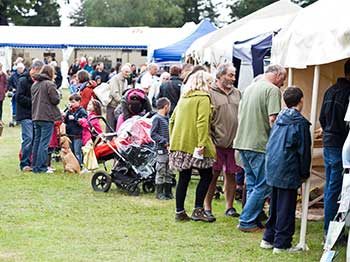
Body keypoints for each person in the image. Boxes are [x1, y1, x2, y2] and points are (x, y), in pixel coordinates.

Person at [234, 64, 286, 232]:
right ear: (277, 75)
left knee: (252, 184)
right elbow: (273, 119)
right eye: (283, 79)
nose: (283, 83)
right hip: (259, 144)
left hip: (243, 141)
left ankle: (252, 219)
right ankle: (247, 220)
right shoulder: (272, 90)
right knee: (263, 185)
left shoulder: (250, 88)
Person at [260, 86, 311, 253]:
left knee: (275, 205)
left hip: (274, 165)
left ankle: (268, 238)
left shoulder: (279, 118)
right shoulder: (300, 123)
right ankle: (281, 243)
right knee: (286, 208)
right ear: (301, 100)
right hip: (288, 168)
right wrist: (304, 173)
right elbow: (303, 151)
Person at [169, 70, 216, 223]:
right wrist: (202, 144)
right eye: (210, 83)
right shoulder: (203, 98)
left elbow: (172, 120)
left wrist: (173, 140)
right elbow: (202, 122)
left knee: (184, 177)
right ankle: (198, 209)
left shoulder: (184, 98)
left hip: (180, 143)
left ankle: (180, 211)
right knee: (207, 175)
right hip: (195, 144)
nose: (211, 86)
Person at [204, 63, 242, 220]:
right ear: (220, 76)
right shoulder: (210, 93)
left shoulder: (237, 93)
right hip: (215, 142)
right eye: (230, 75)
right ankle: (207, 207)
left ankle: (229, 206)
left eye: (234, 75)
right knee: (212, 176)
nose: (233, 78)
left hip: (233, 142)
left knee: (231, 174)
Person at [319, 59, 350, 236]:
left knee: (331, 187)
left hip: (328, 142)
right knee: (336, 190)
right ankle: (331, 232)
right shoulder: (347, 93)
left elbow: (322, 119)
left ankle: (330, 230)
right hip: (341, 145)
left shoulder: (330, 90)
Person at [31, 65, 61, 173]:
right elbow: (55, 100)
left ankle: (35, 165)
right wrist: (58, 95)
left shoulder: (35, 84)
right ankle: (42, 167)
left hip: (36, 116)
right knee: (44, 143)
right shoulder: (49, 84)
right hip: (47, 116)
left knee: (37, 142)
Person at [16, 60, 44, 171]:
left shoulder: (38, 81)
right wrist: (33, 102)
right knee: (28, 138)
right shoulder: (23, 81)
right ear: (35, 69)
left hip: (35, 115)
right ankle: (24, 164)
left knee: (34, 139)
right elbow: (19, 97)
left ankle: (33, 162)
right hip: (25, 114)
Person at [151, 97, 173, 200]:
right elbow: (153, 134)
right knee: (161, 169)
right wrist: (163, 141)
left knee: (169, 170)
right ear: (166, 106)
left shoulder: (168, 118)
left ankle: (168, 191)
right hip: (161, 149)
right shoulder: (157, 119)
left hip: (169, 149)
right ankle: (159, 192)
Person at [64, 93, 88, 166]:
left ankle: (79, 165)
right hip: (70, 134)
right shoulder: (69, 111)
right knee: (71, 151)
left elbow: (84, 122)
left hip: (77, 135)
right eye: (71, 102)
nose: (72, 104)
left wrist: (75, 119)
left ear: (79, 101)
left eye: (73, 102)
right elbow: (66, 121)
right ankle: (72, 164)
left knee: (77, 151)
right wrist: (65, 116)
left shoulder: (82, 111)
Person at [106, 64, 130, 132]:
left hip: (119, 107)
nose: (127, 74)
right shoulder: (115, 79)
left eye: (129, 72)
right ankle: (108, 141)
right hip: (112, 106)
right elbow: (114, 93)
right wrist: (122, 102)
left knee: (117, 127)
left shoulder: (125, 81)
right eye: (126, 72)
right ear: (122, 71)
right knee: (110, 126)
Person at [8, 62, 26, 127]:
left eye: (21, 68)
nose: (20, 70)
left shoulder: (25, 76)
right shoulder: (13, 76)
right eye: (19, 68)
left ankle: (20, 120)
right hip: (15, 94)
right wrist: (12, 88)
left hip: (23, 94)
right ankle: (14, 119)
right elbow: (9, 85)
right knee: (14, 107)